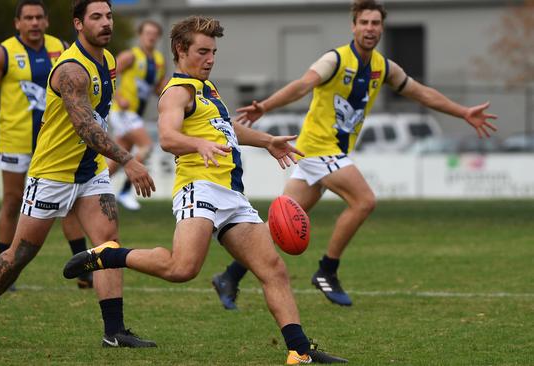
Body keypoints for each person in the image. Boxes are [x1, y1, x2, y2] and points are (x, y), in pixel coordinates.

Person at [63, 15, 348, 364]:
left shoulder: (207, 90)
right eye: (203, 51)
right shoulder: (176, 91)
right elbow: (167, 137)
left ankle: (299, 351)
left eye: (213, 51)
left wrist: (268, 141)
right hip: (199, 188)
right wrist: (197, 145)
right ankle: (107, 255)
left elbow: (228, 129)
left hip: (232, 195)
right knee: (182, 269)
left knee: (273, 269)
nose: (211, 58)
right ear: (181, 50)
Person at [212, 0, 498, 309]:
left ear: (381, 28)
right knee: (364, 200)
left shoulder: (384, 67)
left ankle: (229, 276)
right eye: (364, 22)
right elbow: (302, 85)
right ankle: (327, 270)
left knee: (281, 226)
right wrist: (265, 106)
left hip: (321, 154)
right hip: (319, 148)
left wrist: (464, 111)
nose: (370, 28)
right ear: (354, 26)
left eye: (375, 23)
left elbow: (422, 93)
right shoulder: (335, 60)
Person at [0, 0, 157, 349]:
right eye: (96, 17)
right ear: (78, 24)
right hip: (53, 172)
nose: (105, 23)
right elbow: (84, 126)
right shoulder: (70, 69)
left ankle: (115, 331)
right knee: (19, 255)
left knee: (108, 243)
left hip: (90, 170)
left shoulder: (107, 61)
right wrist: (128, 160)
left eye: (108, 16)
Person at [0, 0, 93, 289]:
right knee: (12, 202)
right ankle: (5, 272)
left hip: (54, 143)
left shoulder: (62, 48)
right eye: (28, 18)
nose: (34, 23)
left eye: (39, 17)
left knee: (70, 203)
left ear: (47, 21)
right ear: (17, 23)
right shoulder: (3, 53)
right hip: (16, 140)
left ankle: (83, 271)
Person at [107, 20, 167, 211]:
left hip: (135, 115)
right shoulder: (130, 56)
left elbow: (158, 87)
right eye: (147, 32)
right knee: (146, 146)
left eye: (154, 34)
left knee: (118, 159)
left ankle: (88, 189)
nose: (150, 36)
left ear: (158, 37)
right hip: (123, 111)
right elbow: (107, 74)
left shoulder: (158, 60)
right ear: (140, 35)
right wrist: (119, 96)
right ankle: (125, 191)